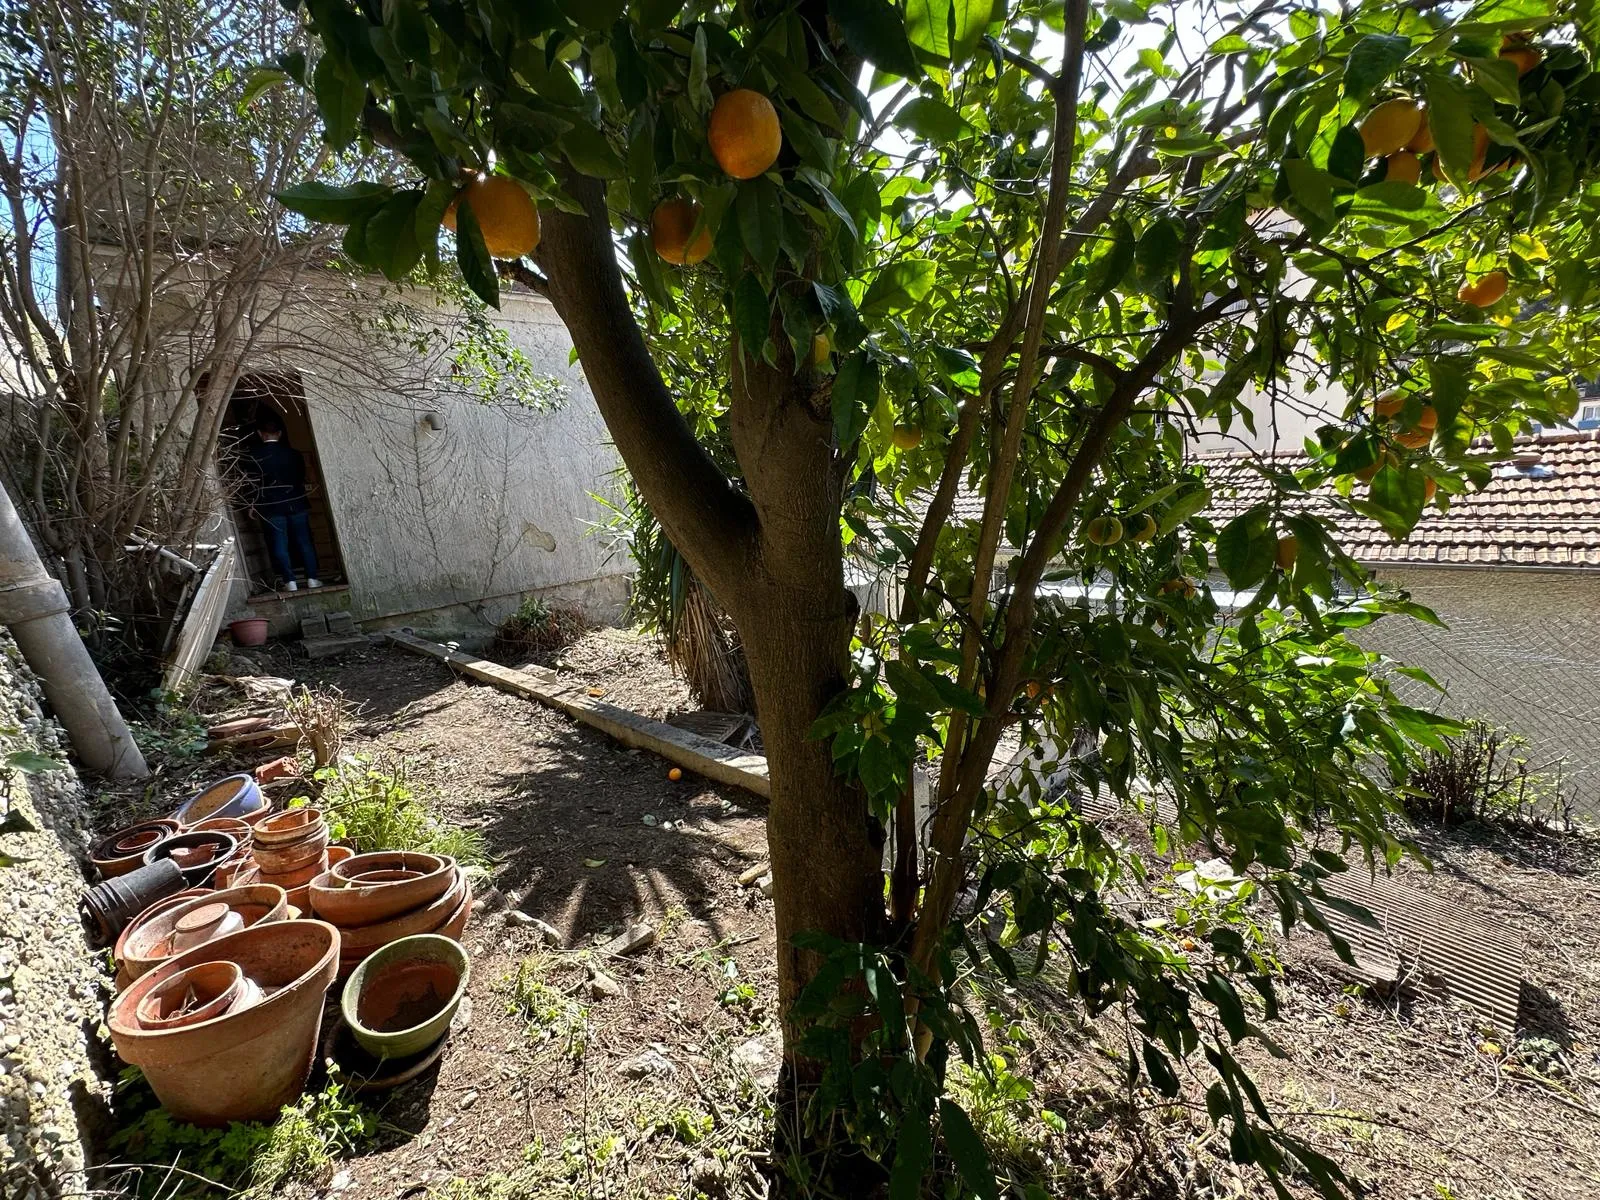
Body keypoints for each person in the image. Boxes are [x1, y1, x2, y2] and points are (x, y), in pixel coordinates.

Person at [242, 411, 322, 592]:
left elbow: (252, 482)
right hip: (296, 501)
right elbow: (302, 477)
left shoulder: (253, 456)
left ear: (260, 433)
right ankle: (312, 578)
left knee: (279, 542)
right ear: (280, 433)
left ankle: (290, 581)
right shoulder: (294, 454)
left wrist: (252, 503)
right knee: (304, 541)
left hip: (270, 505)